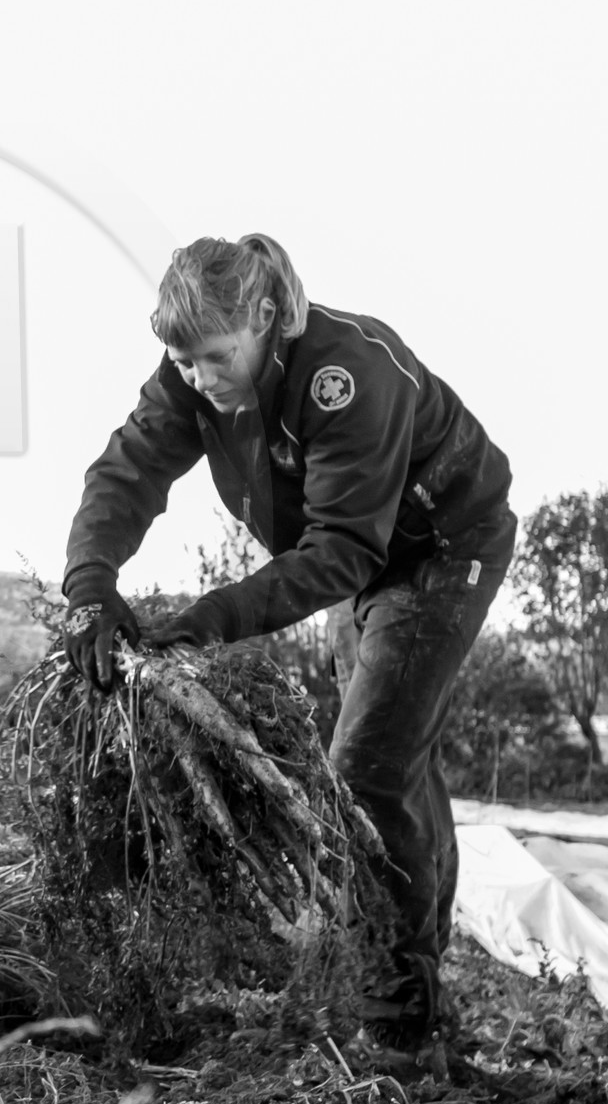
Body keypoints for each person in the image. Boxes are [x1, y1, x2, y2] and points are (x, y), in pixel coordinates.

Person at [60, 234, 514, 1048]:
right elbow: (127, 473)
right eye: (186, 361)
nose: (200, 377)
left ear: (266, 317)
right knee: (398, 755)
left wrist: (208, 619)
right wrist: (90, 580)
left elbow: (342, 550)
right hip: (360, 555)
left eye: (215, 356)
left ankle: (398, 1019)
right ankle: (420, 977)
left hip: (441, 547)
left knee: (366, 771)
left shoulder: (347, 375)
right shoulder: (191, 375)